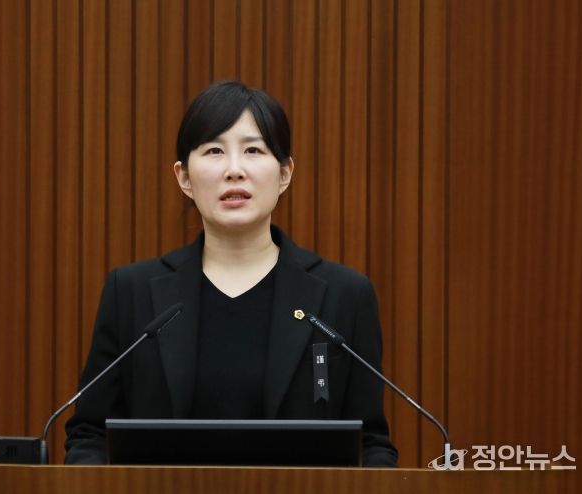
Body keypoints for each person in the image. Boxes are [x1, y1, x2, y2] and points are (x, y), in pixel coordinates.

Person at [64, 80, 398, 467]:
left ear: (285, 173)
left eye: (253, 150)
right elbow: (91, 434)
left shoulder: (344, 296)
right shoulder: (131, 292)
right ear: (184, 177)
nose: (234, 170)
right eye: (214, 151)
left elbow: (370, 445)